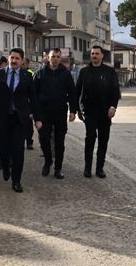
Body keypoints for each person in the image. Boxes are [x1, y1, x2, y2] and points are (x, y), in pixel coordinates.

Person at [0, 48, 41, 193]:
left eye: (17, 58)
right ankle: (5, 166)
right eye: (12, 58)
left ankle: (16, 180)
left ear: (22, 60)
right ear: (9, 58)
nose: (14, 61)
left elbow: (33, 99)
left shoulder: (27, 76)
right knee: (2, 149)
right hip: (3, 118)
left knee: (18, 151)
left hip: (19, 119)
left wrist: (37, 118)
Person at [75, 45, 121, 179]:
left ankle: (100, 168)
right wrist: (78, 110)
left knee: (103, 140)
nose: (94, 56)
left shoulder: (109, 72)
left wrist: (113, 107)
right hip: (89, 112)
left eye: (96, 54)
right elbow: (77, 91)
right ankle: (87, 168)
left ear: (102, 56)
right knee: (90, 139)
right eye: (92, 54)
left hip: (105, 113)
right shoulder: (84, 72)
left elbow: (115, 91)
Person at [34, 48, 76, 179]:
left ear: (60, 58)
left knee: (59, 141)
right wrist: (34, 113)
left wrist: (73, 111)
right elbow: (33, 95)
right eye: (53, 56)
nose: (56, 59)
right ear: (48, 58)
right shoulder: (40, 73)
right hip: (44, 113)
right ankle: (48, 161)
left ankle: (58, 168)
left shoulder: (65, 74)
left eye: (58, 56)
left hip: (60, 112)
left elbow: (72, 93)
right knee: (44, 139)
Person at [22, 56, 36, 150]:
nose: (22, 65)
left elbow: (33, 93)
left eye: (23, 64)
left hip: (28, 103)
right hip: (21, 103)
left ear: (27, 64)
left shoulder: (30, 74)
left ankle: (29, 141)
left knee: (29, 125)